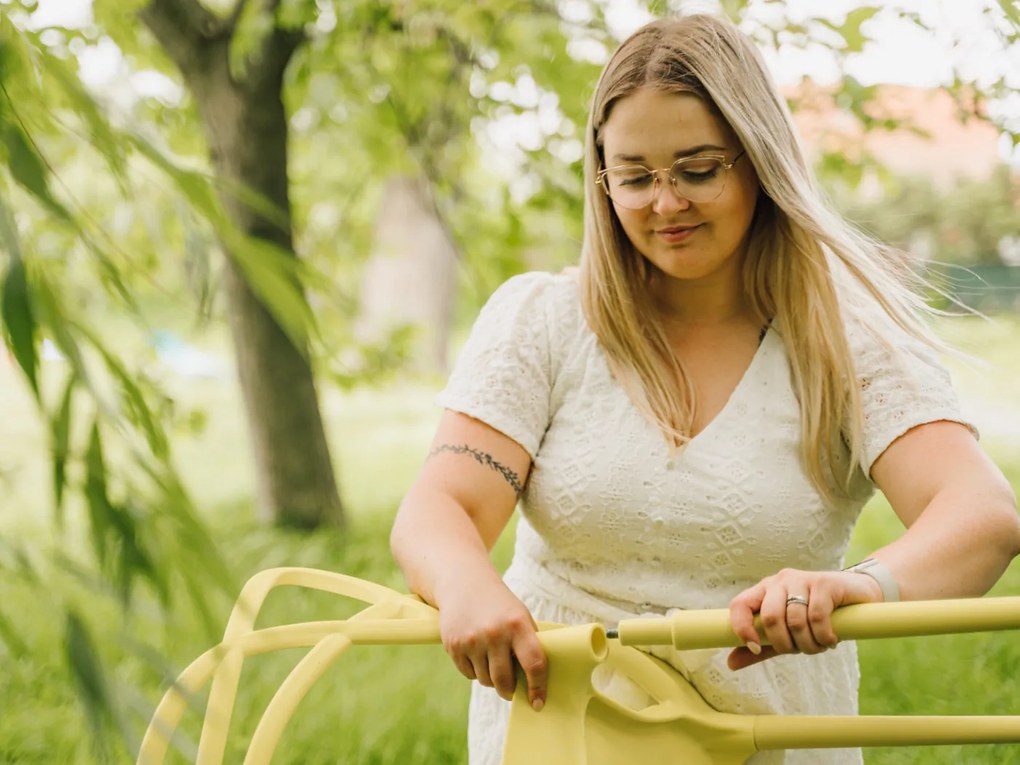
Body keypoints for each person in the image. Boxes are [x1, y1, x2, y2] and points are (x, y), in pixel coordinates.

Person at [389, 13, 1020, 765]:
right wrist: (466, 582)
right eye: (634, 177)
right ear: (602, 179)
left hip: (769, 742)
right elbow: (442, 505)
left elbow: (981, 515)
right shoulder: (541, 320)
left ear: (758, 161)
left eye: (697, 170)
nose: (665, 203)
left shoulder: (851, 341)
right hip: (560, 737)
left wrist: (862, 587)